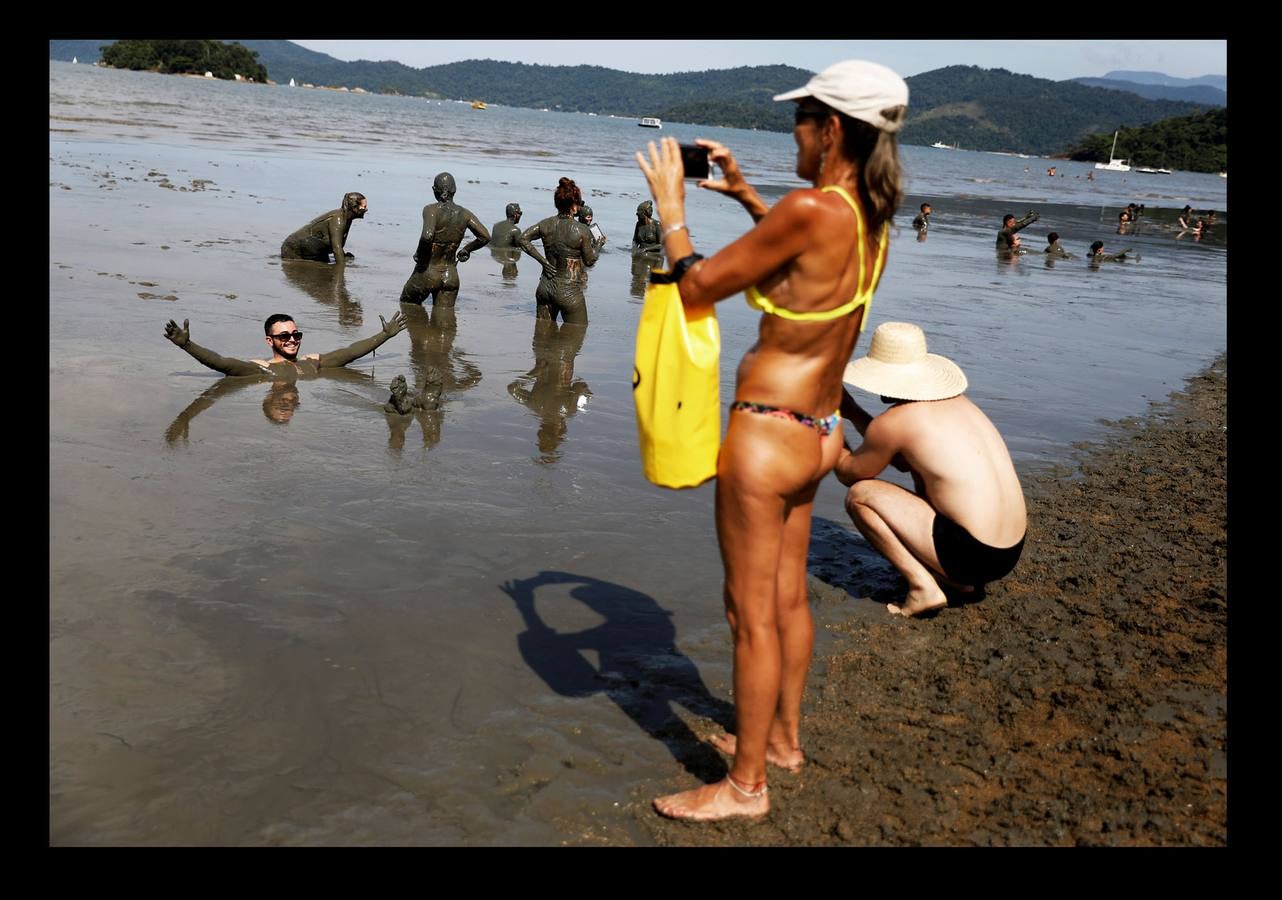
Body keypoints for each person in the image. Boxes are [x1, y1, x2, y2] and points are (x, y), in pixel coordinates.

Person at [635, 59, 907, 821]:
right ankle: (782, 741)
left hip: (765, 436)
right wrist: (751, 195)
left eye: (801, 119)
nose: (794, 130)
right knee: (788, 600)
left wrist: (672, 206)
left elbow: (696, 285)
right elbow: (807, 279)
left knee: (748, 615)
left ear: (832, 129)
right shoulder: (864, 212)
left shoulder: (814, 206)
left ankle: (745, 786)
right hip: (818, 434)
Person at [835, 322, 1026, 618]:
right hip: (1009, 550)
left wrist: (828, 423)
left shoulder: (897, 421)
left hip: (975, 554)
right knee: (921, 474)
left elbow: (848, 473)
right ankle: (958, 582)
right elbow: (901, 461)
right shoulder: (960, 404)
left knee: (860, 495)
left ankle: (923, 587)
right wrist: (852, 412)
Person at [163, 312, 406, 377]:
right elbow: (222, 363)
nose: (292, 340)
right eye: (284, 336)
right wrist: (188, 345)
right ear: (270, 341)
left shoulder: (313, 364)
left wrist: (383, 336)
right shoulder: (261, 369)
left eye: (296, 334)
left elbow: (350, 352)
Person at [513, 177, 600, 325]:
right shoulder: (582, 229)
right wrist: (597, 246)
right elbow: (590, 261)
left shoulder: (545, 224)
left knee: (541, 340)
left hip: (544, 288)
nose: (579, 207)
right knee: (576, 335)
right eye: (579, 203)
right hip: (569, 291)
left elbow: (522, 239)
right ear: (573, 206)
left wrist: (544, 262)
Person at [399, 172, 491, 306]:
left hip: (427, 273)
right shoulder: (465, 213)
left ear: (434, 190)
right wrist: (467, 249)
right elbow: (485, 237)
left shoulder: (431, 210)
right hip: (451, 277)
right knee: (446, 323)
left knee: (407, 305)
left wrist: (419, 253)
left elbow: (427, 236)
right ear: (454, 191)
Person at [280, 191, 367, 264]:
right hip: (294, 249)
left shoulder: (347, 219)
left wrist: (343, 257)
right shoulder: (338, 219)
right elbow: (336, 249)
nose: (366, 209)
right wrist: (341, 268)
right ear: (354, 207)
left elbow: (337, 244)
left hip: (316, 252)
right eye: (364, 206)